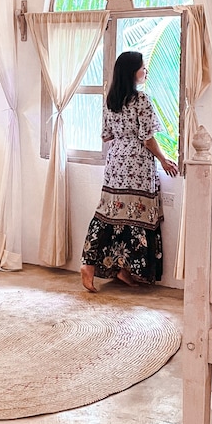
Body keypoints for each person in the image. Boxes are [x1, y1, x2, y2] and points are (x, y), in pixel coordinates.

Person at [80, 50, 178, 293]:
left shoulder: (111, 99)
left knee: (109, 214)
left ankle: (97, 265)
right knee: (136, 216)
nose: (146, 71)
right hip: (137, 164)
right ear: (132, 72)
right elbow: (147, 139)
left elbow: (106, 135)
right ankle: (123, 267)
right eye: (143, 67)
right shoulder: (141, 100)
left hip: (116, 162)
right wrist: (165, 160)